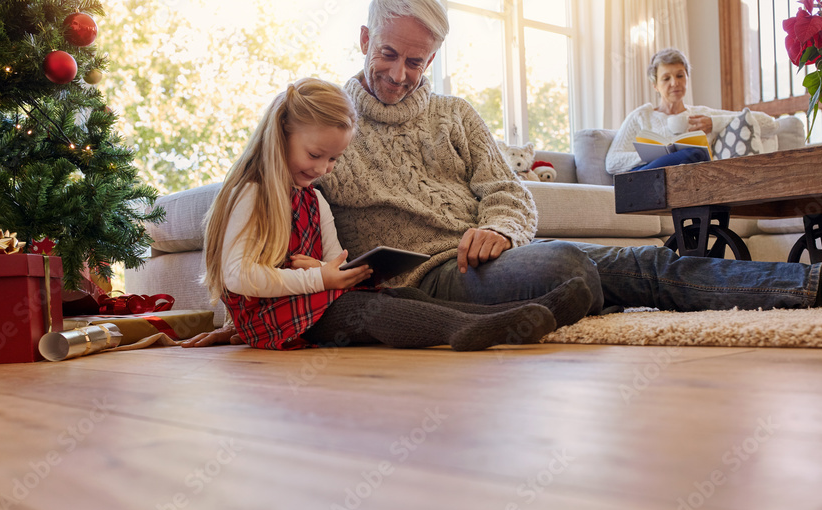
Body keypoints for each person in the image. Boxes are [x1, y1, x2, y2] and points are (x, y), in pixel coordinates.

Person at [187, 0, 822, 347]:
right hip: (420, 279)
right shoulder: (326, 128)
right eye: (388, 55)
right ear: (364, 39)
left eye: (417, 61)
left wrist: (500, 227)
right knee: (585, 267)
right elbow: (258, 197)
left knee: (643, 265)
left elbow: (510, 191)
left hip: (488, 256)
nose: (400, 74)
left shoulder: (454, 115)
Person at [189, 77, 593, 352]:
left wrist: (336, 271)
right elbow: (239, 275)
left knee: (403, 295)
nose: (324, 169)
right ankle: (461, 330)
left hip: (313, 300)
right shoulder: (252, 193)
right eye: (316, 155)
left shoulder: (314, 200)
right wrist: (318, 277)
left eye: (334, 160)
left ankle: (521, 315)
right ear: (279, 135)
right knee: (364, 311)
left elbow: (334, 262)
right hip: (275, 319)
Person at [604, 48, 776, 174]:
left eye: (680, 76)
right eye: (666, 78)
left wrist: (714, 123)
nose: (674, 83)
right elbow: (612, 162)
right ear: (655, 85)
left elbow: (769, 124)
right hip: (652, 177)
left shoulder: (702, 115)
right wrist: (654, 156)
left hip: (692, 182)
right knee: (695, 154)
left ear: (687, 78)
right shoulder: (642, 116)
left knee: (698, 155)